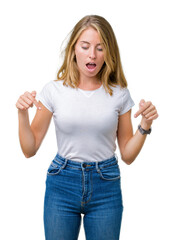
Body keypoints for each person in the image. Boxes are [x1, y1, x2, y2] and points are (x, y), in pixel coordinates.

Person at [16, 15, 158, 240]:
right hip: (62, 183)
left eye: (100, 48)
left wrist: (145, 125)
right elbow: (29, 149)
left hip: (106, 185)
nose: (92, 54)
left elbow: (128, 155)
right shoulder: (53, 91)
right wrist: (22, 114)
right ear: (74, 49)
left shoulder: (119, 93)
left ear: (108, 53)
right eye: (85, 46)